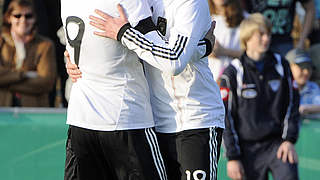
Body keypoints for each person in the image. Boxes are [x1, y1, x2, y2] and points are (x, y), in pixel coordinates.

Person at [68, 1, 225, 179]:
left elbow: (174, 60)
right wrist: (74, 59)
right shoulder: (143, 2)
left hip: (194, 119)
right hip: (154, 122)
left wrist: (124, 33)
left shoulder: (190, 3)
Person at [220, 13, 300, 180]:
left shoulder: (281, 64)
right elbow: (226, 117)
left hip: (277, 144)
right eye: (261, 34)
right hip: (247, 149)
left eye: (268, 34)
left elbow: (292, 102)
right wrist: (233, 157)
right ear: (247, 38)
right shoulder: (233, 73)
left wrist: (289, 140)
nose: (266, 39)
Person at [3, 0, 67, 107]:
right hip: (4, 113)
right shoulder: (2, 43)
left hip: (35, 115)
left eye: (28, 16)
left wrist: (6, 82)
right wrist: (25, 75)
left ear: (35, 18)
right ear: (9, 17)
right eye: (17, 16)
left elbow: (46, 82)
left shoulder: (45, 46)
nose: (23, 20)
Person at [243, 0, 315, 56]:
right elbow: (240, 9)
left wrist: (301, 41)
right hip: (255, 40)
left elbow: (310, 9)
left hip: (284, 42)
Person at [207, 0, 247, 82]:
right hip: (209, 78)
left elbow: (251, 55)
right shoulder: (202, 16)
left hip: (235, 79)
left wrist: (224, 51)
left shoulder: (246, 20)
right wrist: (207, 51)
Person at [286, 49, 320, 115]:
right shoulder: (282, 87)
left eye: (308, 68)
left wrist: (306, 108)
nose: (306, 72)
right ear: (288, 67)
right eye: (301, 67)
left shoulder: (312, 87)